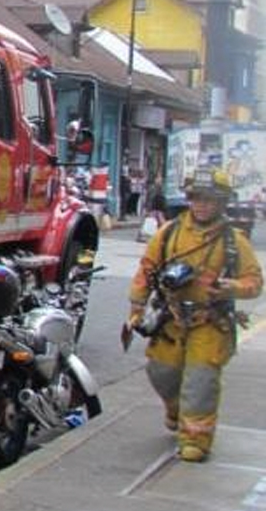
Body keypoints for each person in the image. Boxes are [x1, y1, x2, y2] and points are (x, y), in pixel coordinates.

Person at [126, 168, 262, 463]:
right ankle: (175, 410)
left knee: (200, 381)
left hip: (210, 323)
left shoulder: (234, 242)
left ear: (222, 203)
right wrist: (136, 310)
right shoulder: (169, 234)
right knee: (161, 372)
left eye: (209, 199)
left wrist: (233, 288)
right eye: (197, 198)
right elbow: (146, 271)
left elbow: (255, 282)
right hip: (171, 321)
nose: (202, 205)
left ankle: (196, 439)